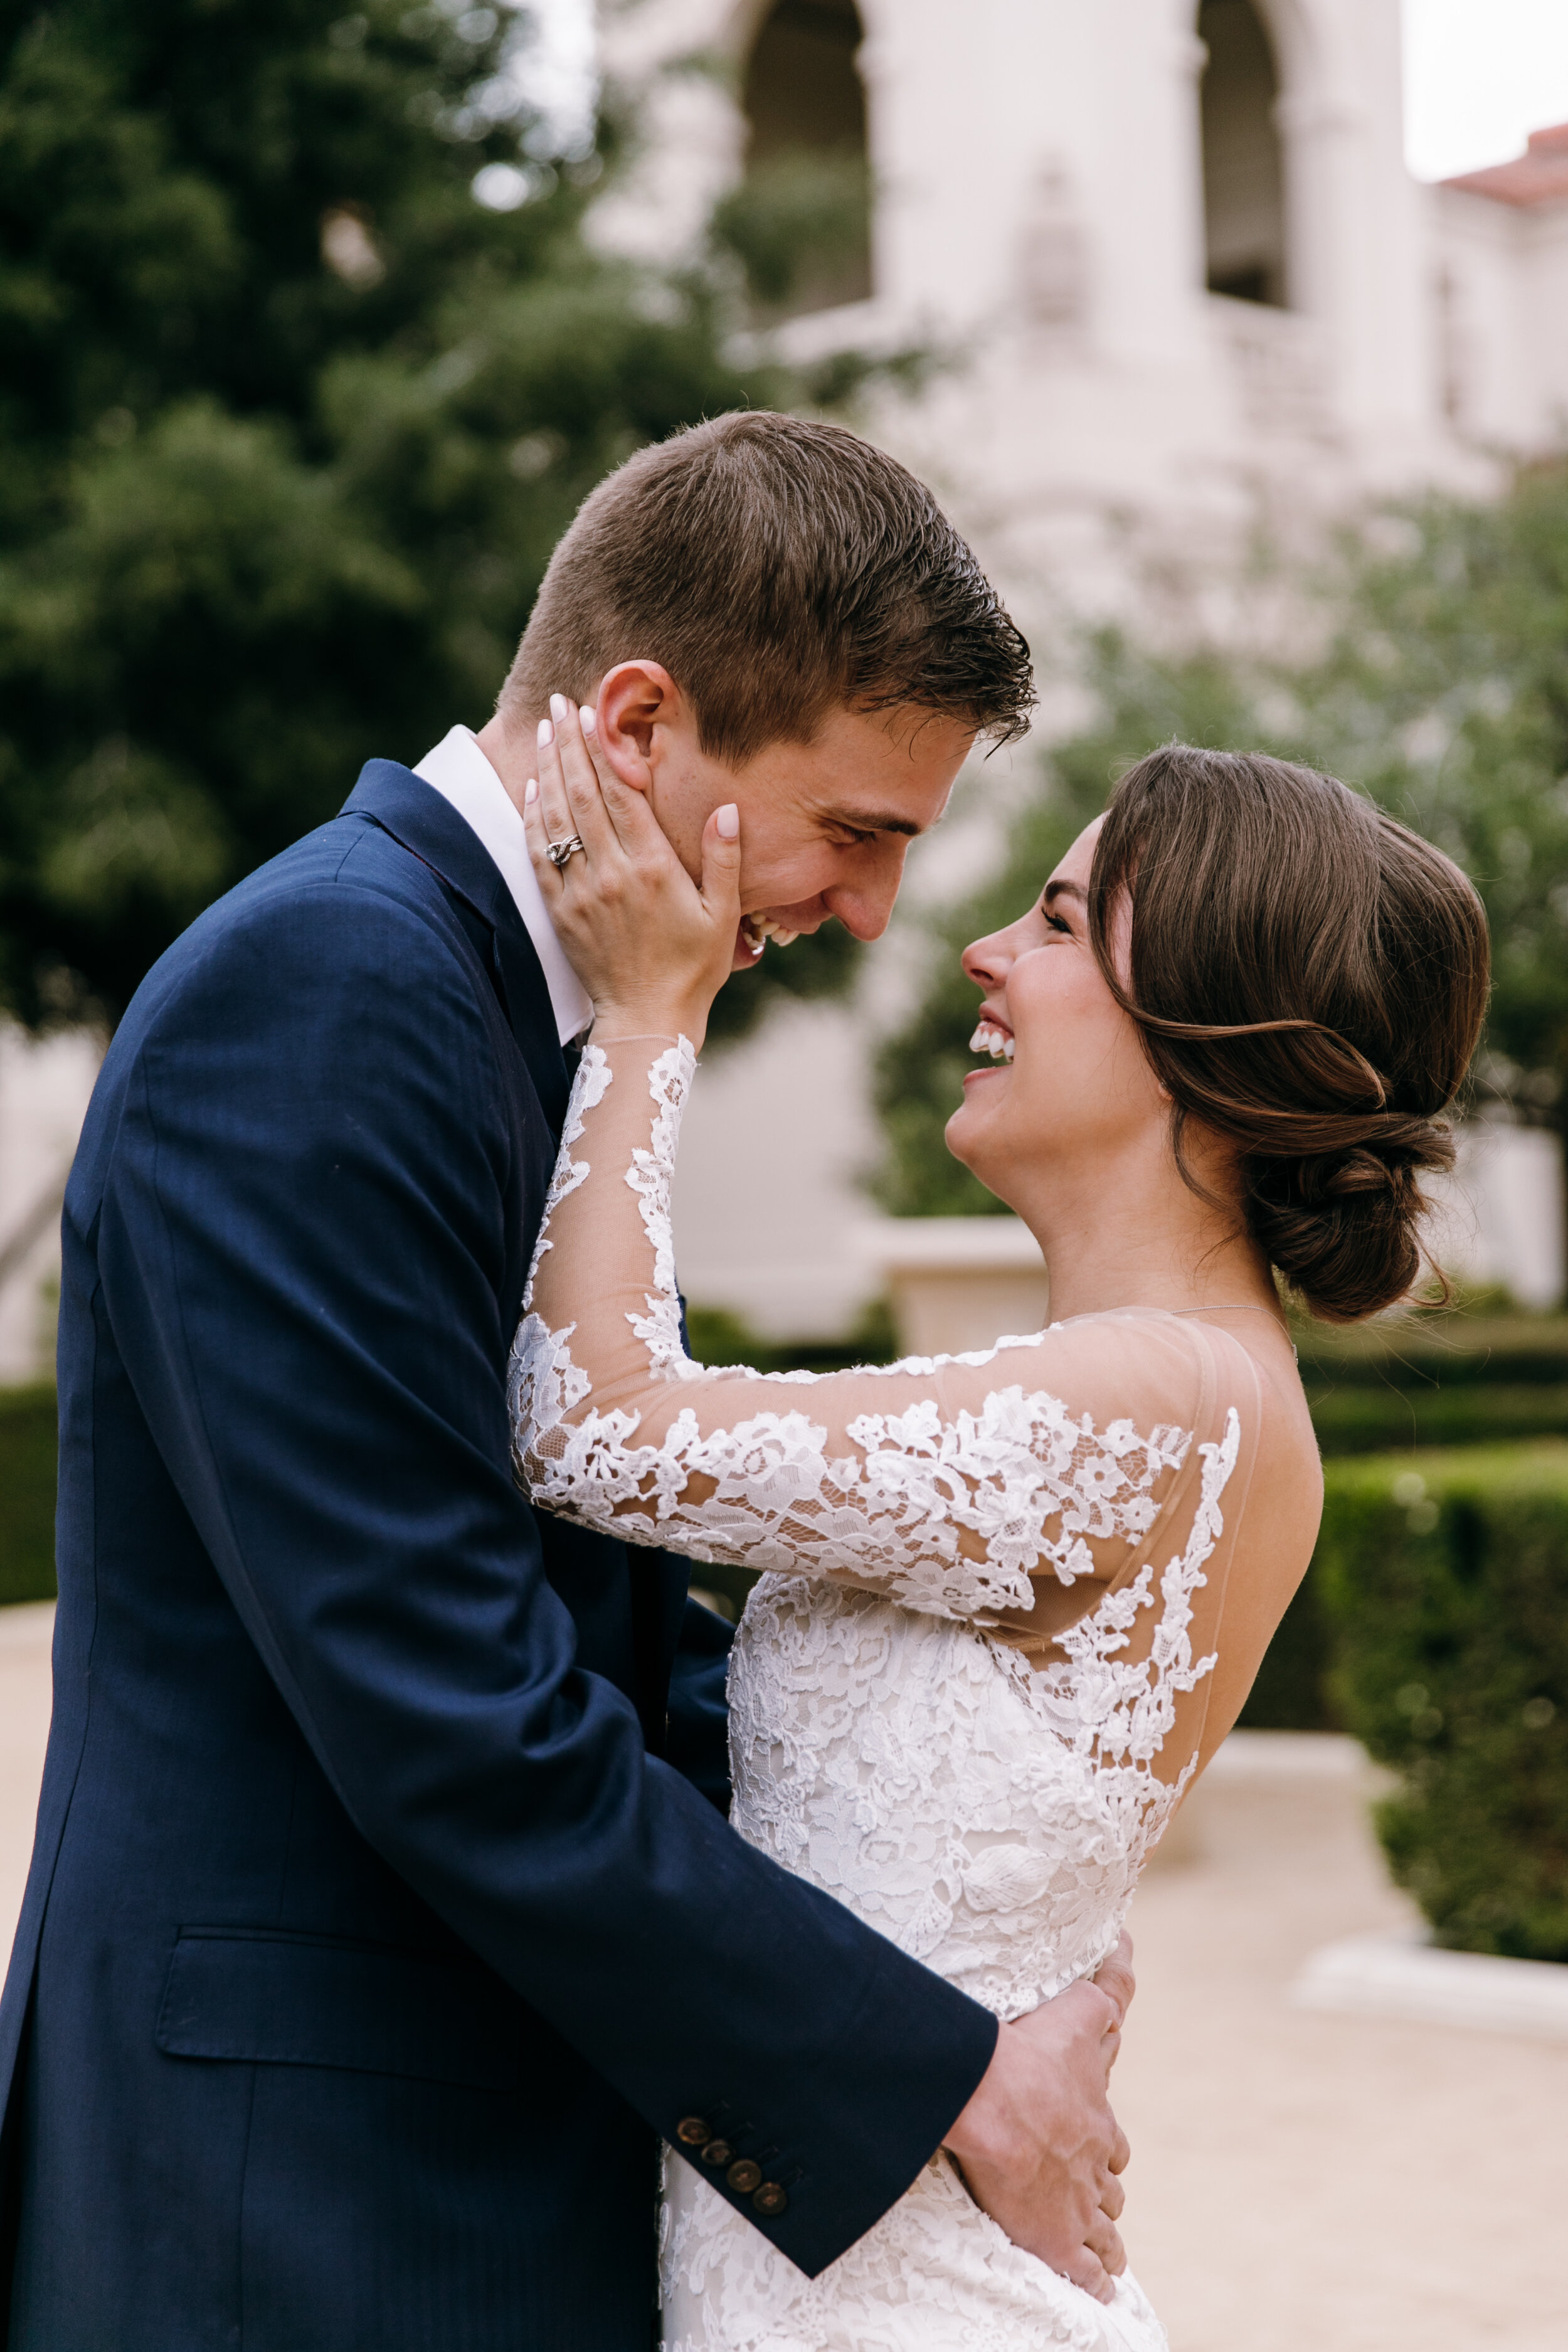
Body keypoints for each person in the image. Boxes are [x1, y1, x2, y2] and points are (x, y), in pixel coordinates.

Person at [0, 413, 1136, 2351]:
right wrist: (929, 2066)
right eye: (854, 830)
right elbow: (450, 1703)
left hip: (444, 2146)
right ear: (632, 728)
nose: (872, 915)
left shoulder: (546, 1008)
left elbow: (594, 1608)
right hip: (304, 2199)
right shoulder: (333, 996)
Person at [514, 713, 1491, 2351]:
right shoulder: (1198, 1396)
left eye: (1051, 922)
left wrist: (648, 1013)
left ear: (1210, 1022)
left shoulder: (1150, 1400)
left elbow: (592, 1428)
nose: (979, 951)